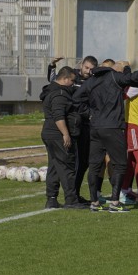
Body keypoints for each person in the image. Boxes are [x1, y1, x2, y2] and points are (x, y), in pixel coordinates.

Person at [74, 58, 138, 212]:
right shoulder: (114, 77)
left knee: (95, 165)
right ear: (115, 69)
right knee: (120, 164)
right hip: (113, 127)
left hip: (95, 127)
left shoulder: (92, 80)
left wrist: (90, 114)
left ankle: (94, 202)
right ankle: (115, 202)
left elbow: (76, 98)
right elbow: (135, 76)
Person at [51, 56, 98, 202]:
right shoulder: (72, 78)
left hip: (87, 126)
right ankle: (66, 196)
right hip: (73, 126)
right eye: (86, 68)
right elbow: (55, 82)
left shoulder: (94, 80)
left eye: (91, 69)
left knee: (84, 162)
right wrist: (52, 66)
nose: (88, 71)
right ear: (81, 65)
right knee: (71, 162)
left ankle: (75, 193)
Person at [39, 67, 87, 209]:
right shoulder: (60, 93)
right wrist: (65, 134)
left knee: (54, 166)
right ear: (65, 79)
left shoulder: (52, 90)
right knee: (67, 166)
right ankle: (71, 200)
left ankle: (51, 199)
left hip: (50, 134)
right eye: (72, 81)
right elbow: (58, 116)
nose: (73, 84)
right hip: (57, 134)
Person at [120, 85, 138, 204]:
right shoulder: (136, 86)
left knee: (132, 160)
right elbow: (122, 97)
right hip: (134, 125)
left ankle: (125, 189)